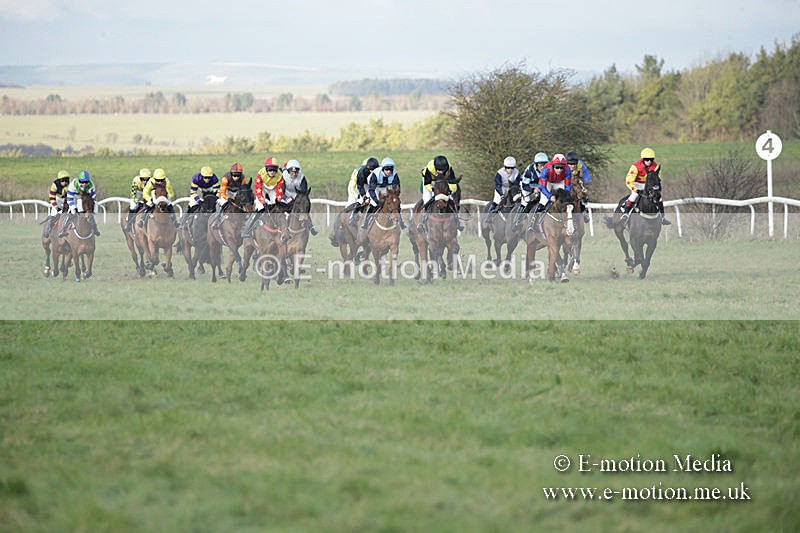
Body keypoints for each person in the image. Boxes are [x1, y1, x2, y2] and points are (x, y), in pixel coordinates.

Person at [620, 147, 671, 225]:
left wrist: (656, 188)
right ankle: (626, 214)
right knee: (634, 195)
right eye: (647, 159)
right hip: (637, 183)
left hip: (649, 185)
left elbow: (658, 179)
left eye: (651, 159)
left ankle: (663, 217)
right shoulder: (635, 166)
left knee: (659, 198)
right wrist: (636, 189)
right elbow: (628, 180)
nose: (649, 161)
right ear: (643, 159)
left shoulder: (656, 167)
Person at [418, 155, 463, 232]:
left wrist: (449, 191)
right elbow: (427, 185)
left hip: (444, 183)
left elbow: (453, 184)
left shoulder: (449, 169)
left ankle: (457, 220)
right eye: (438, 170)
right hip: (430, 183)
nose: (440, 172)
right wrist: (433, 189)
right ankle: (422, 221)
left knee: (452, 200)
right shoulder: (429, 169)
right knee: (427, 199)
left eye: (442, 170)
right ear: (435, 168)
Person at [242, 157, 284, 238]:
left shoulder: (280, 176)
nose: (272, 172)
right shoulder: (261, 174)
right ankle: (247, 229)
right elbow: (258, 189)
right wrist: (263, 202)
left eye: (274, 170)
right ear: (266, 169)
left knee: (279, 207)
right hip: (262, 189)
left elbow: (279, 191)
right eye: (270, 170)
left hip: (273, 189)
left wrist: (278, 203)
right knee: (259, 208)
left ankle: (285, 228)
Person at [529, 154, 572, 231]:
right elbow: (542, 186)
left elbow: (568, 186)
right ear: (553, 166)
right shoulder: (546, 169)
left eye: (561, 167)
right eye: (557, 167)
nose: (559, 170)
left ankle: (571, 222)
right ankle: (533, 223)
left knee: (567, 201)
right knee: (543, 201)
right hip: (547, 182)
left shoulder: (567, 170)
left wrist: (565, 196)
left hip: (559, 182)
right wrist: (549, 196)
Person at [362, 157, 405, 229]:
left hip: (386, 187)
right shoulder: (375, 174)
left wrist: (394, 196)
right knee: (374, 203)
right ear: (383, 169)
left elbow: (397, 188)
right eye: (386, 169)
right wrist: (377, 201)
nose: (389, 171)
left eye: (390, 169)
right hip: (374, 188)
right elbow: (371, 190)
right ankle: (366, 222)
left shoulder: (394, 174)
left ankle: (401, 221)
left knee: (394, 203)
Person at [281, 159, 318, 236]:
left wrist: (299, 199)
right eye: (292, 172)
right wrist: (286, 198)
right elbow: (281, 190)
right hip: (285, 195)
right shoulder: (283, 176)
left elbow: (304, 192)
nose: (294, 174)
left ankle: (311, 227)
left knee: (303, 206)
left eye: (296, 172)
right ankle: (283, 229)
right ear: (288, 171)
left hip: (297, 196)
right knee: (284, 210)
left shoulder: (302, 178)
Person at [58, 170, 100, 237]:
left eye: (86, 182)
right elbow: (69, 198)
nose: (84, 184)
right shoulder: (73, 184)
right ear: (79, 180)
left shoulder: (91, 186)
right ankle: (63, 229)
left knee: (90, 212)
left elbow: (93, 198)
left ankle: (95, 228)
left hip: (85, 197)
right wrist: (73, 207)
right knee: (71, 212)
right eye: (82, 182)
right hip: (74, 197)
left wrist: (91, 208)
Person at [513, 152, 548, 231]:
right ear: (536, 165)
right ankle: (517, 221)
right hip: (528, 185)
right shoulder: (530, 169)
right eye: (540, 165)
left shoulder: (549, 169)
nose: (542, 167)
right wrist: (533, 190)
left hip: (540, 186)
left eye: (544, 165)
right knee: (526, 202)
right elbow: (525, 185)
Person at [212, 162, 249, 230]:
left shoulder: (243, 178)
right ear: (231, 174)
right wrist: (227, 198)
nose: (236, 178)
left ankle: (246, 220)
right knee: (222, 204)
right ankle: (216, 221)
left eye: (238, 176)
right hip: (227, 191)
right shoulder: (225, 178)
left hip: (237, 192)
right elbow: (222, 191)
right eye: (234, 176)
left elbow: (243, 191)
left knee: (243, 205)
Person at [485, 156, 520, 225]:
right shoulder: (499, 173)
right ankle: (489, 217)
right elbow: (497, 185)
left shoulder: (517, 172)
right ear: (505, 167)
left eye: (512, 168)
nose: (510, 169)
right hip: (501, 188)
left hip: (511, 188)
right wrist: (501, 194)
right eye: (508, 168)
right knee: (496, 201)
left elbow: (517, 183)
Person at [347, 157, 379, 226]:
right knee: (355, 202)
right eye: (371, 169)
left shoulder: (377, 171)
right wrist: (360, 196)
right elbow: (356, 187)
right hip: (355, 187)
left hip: (367, 184)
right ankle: (351, 218)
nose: (372, 171)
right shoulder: (360, 172)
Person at [565, 151, 592, 222]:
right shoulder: (563, 166)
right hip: (565, 181)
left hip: (576, 180)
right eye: (570, 164)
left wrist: (584, 181)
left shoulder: (581, 165)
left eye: (574, 164)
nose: (572, 166)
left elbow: (587, 177)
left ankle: (584, 210)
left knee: (582, 193)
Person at [43, 170, 70, 238]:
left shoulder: (70, 185)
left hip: (67, 199)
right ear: (59, 180)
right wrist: (56, 207)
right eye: (62, 181)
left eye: (66, 180)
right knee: (54, 213)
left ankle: (65, 230)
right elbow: (52, 198)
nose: (65, 183)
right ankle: (48, 230)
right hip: (57, 199)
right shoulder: (54, 185)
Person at [125, 168, 151, 232]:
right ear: (140, 178)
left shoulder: (152, 182)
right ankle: (128, 223)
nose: (145, 181)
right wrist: (137, 201)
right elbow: (133, 193)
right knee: (133, 206)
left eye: (147, 179)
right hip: (138, 194)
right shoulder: (135, 180)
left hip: (147, 194)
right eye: (142, 179)